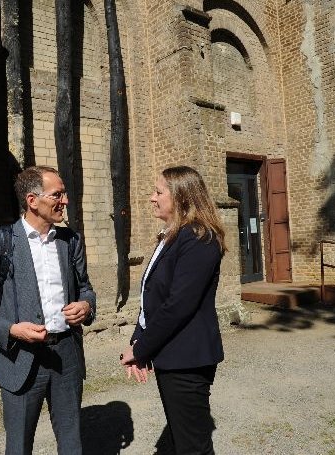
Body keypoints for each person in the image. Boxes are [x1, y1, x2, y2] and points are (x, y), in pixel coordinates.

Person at [0, 165, 96, 455]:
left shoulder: (71, 241)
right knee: (19, 445)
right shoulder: (0, 241)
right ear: (32, 200)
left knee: (72, 441)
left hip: (67, 355)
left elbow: (86, 288)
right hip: (20, 359)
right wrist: (12, 329)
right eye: (58, 195)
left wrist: (86, 306)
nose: (65, 201)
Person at [120, 165, 227, 455]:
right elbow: (152, 297)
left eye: (158, 192)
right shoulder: (172, 235)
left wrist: (141, 349)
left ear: (181, 197)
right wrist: (137, 340)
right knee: (184, 442)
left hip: (188, 358)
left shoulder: (198, 238)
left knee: (193, 447)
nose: (151, 198)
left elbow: (178, 305)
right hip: (171, 354)